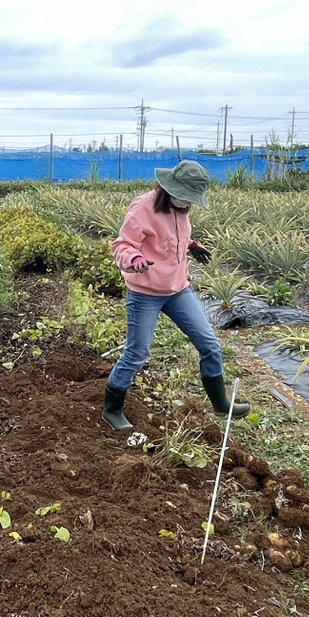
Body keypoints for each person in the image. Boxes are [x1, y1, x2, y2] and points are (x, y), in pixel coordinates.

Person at [102, 159, 249, 431]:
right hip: (145, 293)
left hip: (177, 289)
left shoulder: (180, 208)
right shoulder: (144, 207)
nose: (187, 202)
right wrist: (134, 258)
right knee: (137, 353)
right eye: (185, 196)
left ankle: (220, 403)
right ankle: (112, 409)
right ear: (170, 188)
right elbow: (122, 245)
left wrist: (191, 244)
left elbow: (173, 234)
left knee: (209, 344)